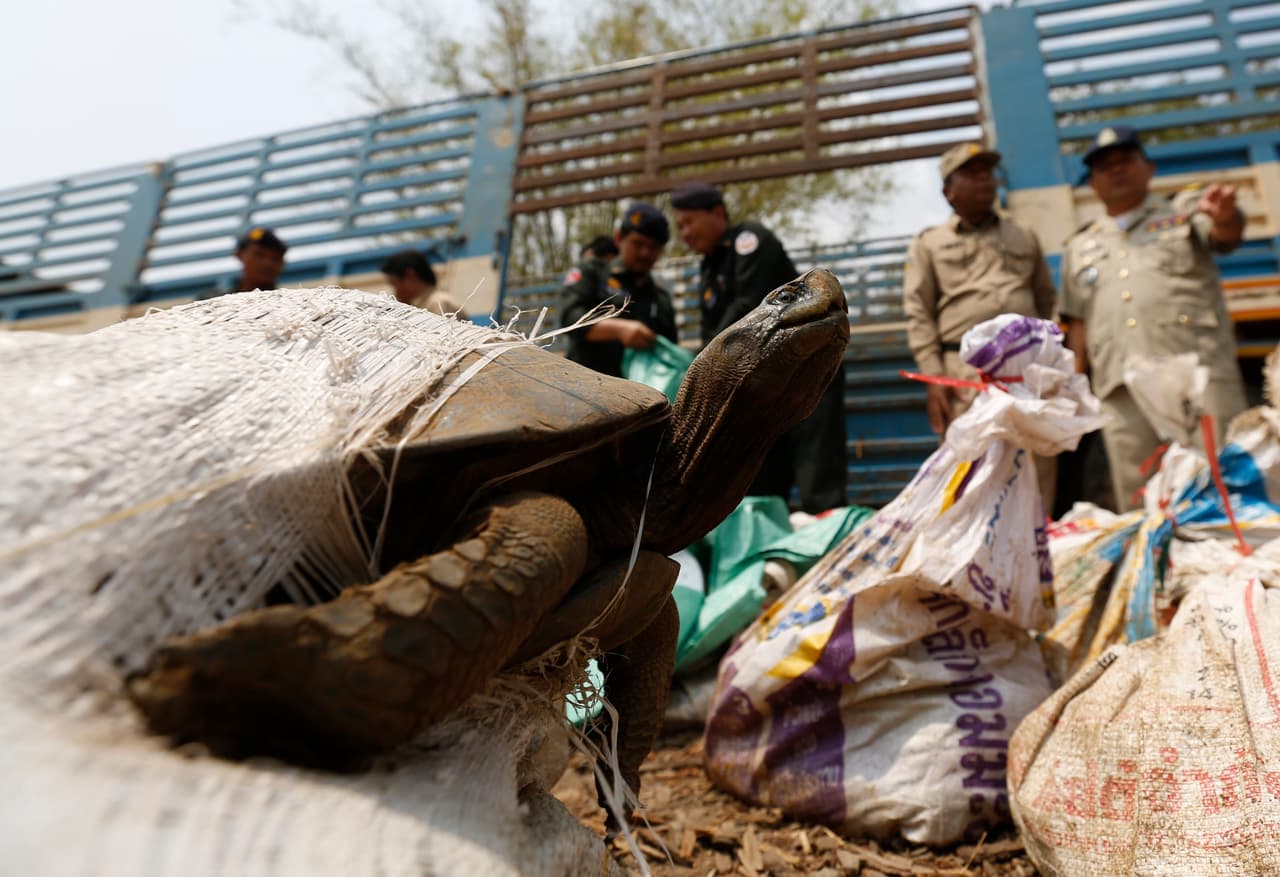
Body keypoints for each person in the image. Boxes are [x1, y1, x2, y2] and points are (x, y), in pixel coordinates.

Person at [1061, 125, 1248, 511]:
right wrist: (1075, 388)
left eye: (1125, 160)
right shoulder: (1080, 246)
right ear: (1092, 184)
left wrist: (1227, 216)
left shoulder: (1184, 214)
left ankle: (1238, 570)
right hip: (1119, 385)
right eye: (1104, 166)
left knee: (1223, 484)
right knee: (1139, 497)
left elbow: (1224, 234)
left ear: (1149, 167)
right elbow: (1077, 321)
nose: (1116, 170)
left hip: (1197, 373)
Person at [672, 181, 847, 513]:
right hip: (763, 384)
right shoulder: (710, 265)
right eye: (679, 226)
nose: (684, 233)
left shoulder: (749, 240)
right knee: (763, 475)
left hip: (804, 364)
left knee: (818, 470)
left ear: (717, 213)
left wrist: (709, 352)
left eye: (689, 222)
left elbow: (749, 307)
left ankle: (827, 540)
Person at [902, 142, 1059, 511]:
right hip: (964, 373)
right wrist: (932, 375)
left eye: (987, 172)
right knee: (970, 468)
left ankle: (1037, 551)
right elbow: (918, 310)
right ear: (948, 191)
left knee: (1036, 462)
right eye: (971, 174)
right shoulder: (930, 244)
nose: (984, 180)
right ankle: (975, 560)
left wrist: (1052, 364)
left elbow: (1046, 299)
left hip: (1027, 369)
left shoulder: (1023, 234)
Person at [559, 202, 677, 378]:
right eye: (638, 243)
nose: (645, 253)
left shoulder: (661, 299)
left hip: (638, 396)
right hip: (583, 386)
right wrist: (619, 329)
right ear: (619, 238)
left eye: (653, 247)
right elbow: (570, 318)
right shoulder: (593, 272)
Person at [380, 249, 466, 319]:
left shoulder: (438, 303)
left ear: (411, 275)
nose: (395, 291)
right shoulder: (423, 304)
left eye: (394, 283)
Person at [232, 227, 288, 292]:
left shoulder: (293, 300)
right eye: (259, 254)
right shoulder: (220, 300)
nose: (268, 263)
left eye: (275, 258)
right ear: (239, 254)